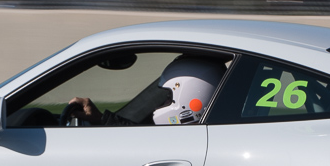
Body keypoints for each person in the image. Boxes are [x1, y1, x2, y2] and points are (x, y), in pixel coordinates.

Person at [68, 56, 225, 126]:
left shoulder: (181, 142)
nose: (161, 104)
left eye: (169, 97)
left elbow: (134, 142)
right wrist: (100, 119)